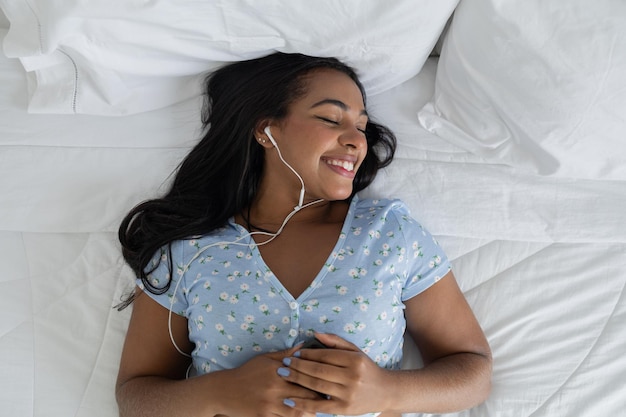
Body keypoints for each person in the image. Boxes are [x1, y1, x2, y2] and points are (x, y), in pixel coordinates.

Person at [115, 52, 492, 417]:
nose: (357, 141)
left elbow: (473, 373)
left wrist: (388, 391)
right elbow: (136, 398)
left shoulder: (389, 236)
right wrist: (221, 392)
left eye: (361, 127)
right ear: (266, 129)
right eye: (331, 118)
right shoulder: (188, 251)